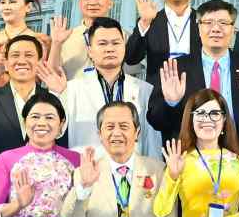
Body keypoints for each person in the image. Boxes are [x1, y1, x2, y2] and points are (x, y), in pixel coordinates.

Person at [148, 0, 239, 167]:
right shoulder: (174, 69)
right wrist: (171, 102)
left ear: (233, 28)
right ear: (198, 28)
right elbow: (156, 121)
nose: (216, 29)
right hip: (189, 164)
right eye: (208, 22)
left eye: (223, 23)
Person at [46, 17, 161, 161]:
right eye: (102, 43)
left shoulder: (144, 90)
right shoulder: (72, 89)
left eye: (116, 43)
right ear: (90, 51)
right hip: (89, 174)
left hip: (133, 175)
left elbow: (152, 144)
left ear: (124, 47)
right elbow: (55, 132)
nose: (110, 48)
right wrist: (59, 94)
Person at [0, 34, 60, 170]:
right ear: (5, 63)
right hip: (1, 183)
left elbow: (62, 145)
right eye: (15, 55)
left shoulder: (52, 99)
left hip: (45, 184)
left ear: (40, 61)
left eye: (29, 55)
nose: (22, 61)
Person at [126, 0, 201, 73]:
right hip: (159, 90)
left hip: (198, 90)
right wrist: (145, 22)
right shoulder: (150, 21)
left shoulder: (204, 21)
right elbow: (131, 59)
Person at [53, 0, 113, 78]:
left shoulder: (123, 37)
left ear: (110, 3)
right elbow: (53, 75)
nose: (93, 2)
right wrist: (56, 44)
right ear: (79, 3)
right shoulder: (65, 38)